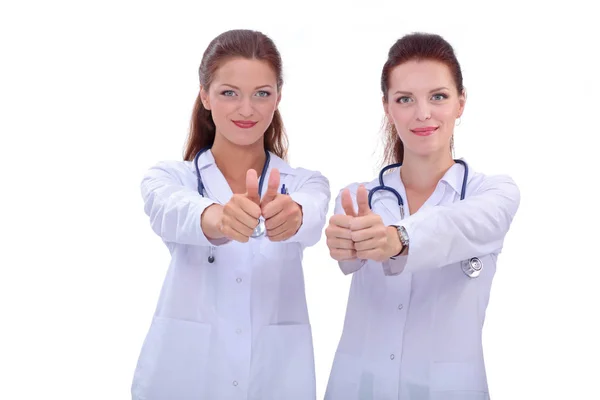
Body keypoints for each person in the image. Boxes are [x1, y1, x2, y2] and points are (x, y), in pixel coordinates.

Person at [130, 29, 330, 400]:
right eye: (229, 93)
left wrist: (295, 215)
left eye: (262, 94)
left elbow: (314, 211)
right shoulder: (172, 178)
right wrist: (218, 218)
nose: (246, 109)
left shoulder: (305, 185)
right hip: (183, 379)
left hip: (275, 378)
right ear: (205, 95)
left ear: (278, 98)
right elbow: (170, 209)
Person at [323, 32, 520, 400]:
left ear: (461, 103)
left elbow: (454, 225)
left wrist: (396, 239)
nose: (423, 113)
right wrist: (342, 242)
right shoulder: (358, 199)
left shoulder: (493, 194)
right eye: (405, 99)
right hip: (361, 387)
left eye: (438, 97)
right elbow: (346, 252)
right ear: (387, 107)